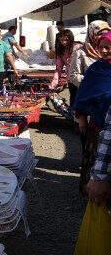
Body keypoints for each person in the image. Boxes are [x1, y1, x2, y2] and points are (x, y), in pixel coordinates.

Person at [73, 32, 111, 255]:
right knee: (94, 165)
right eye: (102, 46)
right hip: (99, 129)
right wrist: (81, 120)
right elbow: (83, 96)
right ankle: (92, 195)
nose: (106, 50)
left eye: (109, 46)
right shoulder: (97, 69)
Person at [69, 21, 111, 97]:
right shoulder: (80, 53)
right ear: (91, 34)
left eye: (106, 33)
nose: (103, 36)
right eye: (99, 34)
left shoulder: (108, 50)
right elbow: (73, 76)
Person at [50, 29, 81, 104]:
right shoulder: (60, 51)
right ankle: (73, 114)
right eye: (61, 40)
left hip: (83, 77)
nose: (64, 42)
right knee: (73, 97)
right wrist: (53, 84)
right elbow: (58, 69)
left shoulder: (78, 47)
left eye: (66, 40)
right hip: (71, 78)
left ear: (71, 38)